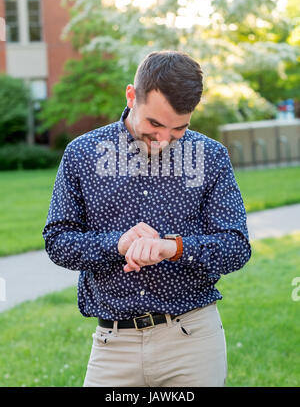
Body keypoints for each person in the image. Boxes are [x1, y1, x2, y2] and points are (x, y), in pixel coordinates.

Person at [42, 50, 251, 387]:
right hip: (113, 346)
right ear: (131, 96)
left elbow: (235, 247)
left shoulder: (211, 157)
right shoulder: (82, 154)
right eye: (154, 124)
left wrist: (173, 247)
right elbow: (58, 241)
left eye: (178, 128)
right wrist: (117, 243)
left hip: (192, 341)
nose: (164, 139)